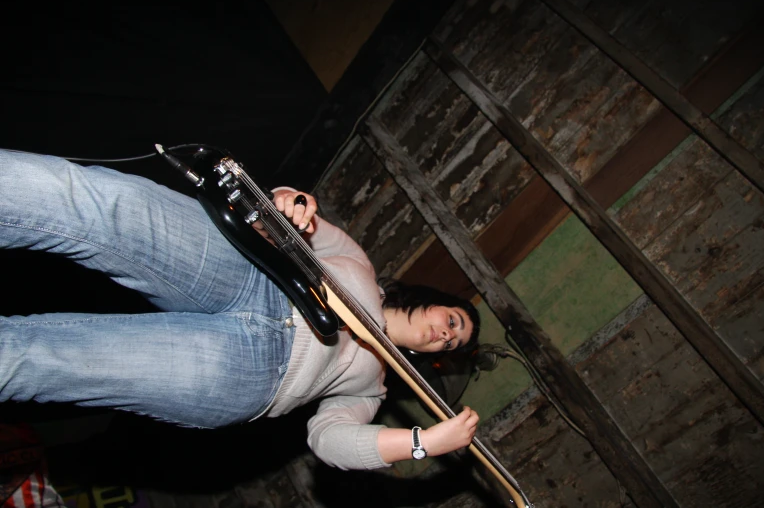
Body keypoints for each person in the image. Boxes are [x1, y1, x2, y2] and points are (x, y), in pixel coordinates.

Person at [0, 148, 481, 471]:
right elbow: (279, 213)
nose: (445, 335)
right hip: (245, 271)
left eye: (450, 344)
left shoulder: (371, 388)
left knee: (48, 356)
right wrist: (293, 203)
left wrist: (423, 443)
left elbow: (329, 442)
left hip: (249, 374)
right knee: (99, 204)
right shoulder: (360, 263)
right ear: (435, 301)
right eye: (453, 322)